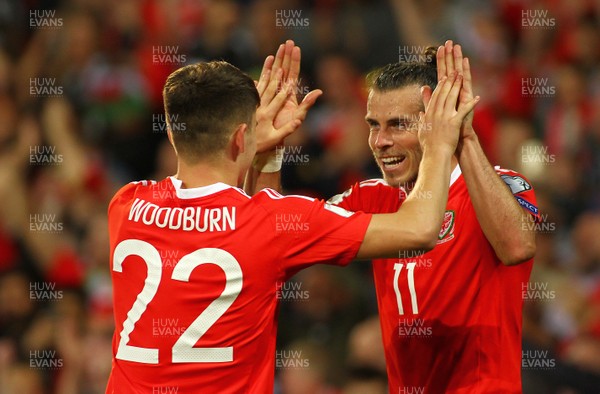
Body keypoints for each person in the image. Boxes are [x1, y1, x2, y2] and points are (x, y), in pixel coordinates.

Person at [105, 41, 478, 392]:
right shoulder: (269, 222)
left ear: (171, 132)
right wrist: (440, 142)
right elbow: (421, 228)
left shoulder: (125, 206)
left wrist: (262, 152)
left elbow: (237, 243)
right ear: (240, 138)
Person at [253, 41, 538, 393]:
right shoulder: (369, 196)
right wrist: (269, 150)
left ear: (437, 121)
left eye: (398, 125)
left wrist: (462, 136)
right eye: (374, 125)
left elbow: (517, 246)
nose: (380, 141)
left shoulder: (501, 184)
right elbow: (269, 238)